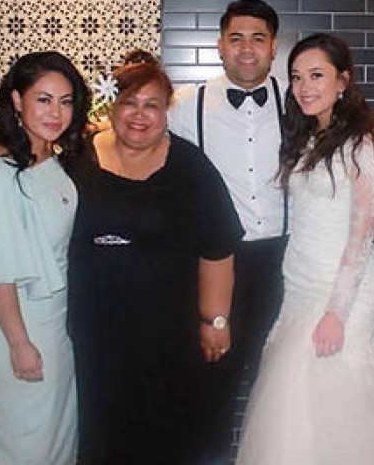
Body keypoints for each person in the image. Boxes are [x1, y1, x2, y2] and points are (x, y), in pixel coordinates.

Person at [236, 33, 374, 464]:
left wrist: (336, 313)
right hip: (301, 282)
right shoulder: (308, 138)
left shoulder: (364, 146)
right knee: (293, 396)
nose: (304, 87)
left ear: (343, 81)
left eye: (316, 75)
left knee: (335, 391)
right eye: (297, 77)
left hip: (346, 288)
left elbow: (360, 239)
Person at [67, 57, 244, 464]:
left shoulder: (190, 167)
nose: (139, 115)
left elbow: (218, 248)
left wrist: (216, 321)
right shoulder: (77, 159)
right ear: (112, 106)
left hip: (168, 333)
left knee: (166, 432)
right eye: (129, 102)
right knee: (100, 429)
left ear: (167, 111)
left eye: (152, 105)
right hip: (93, 331)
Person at [169, 0, 287, 460]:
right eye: (236, 38)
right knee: (213, 382)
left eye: (258, 38)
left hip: (285, 262)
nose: (246, 48)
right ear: (220, 45)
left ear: (273, 47)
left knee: (279, 381)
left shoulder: (297, 101)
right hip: (217, 264)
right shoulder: (185, 106)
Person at [0, 51, 90, 464]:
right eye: (43, 99)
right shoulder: (0, 174)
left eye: (65, 101)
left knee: (54, 439)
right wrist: (19, 343)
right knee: (25, 443)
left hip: (52, 318)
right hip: (15, 321)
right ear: (17, 100)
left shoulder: (52, 158)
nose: (56, 112)